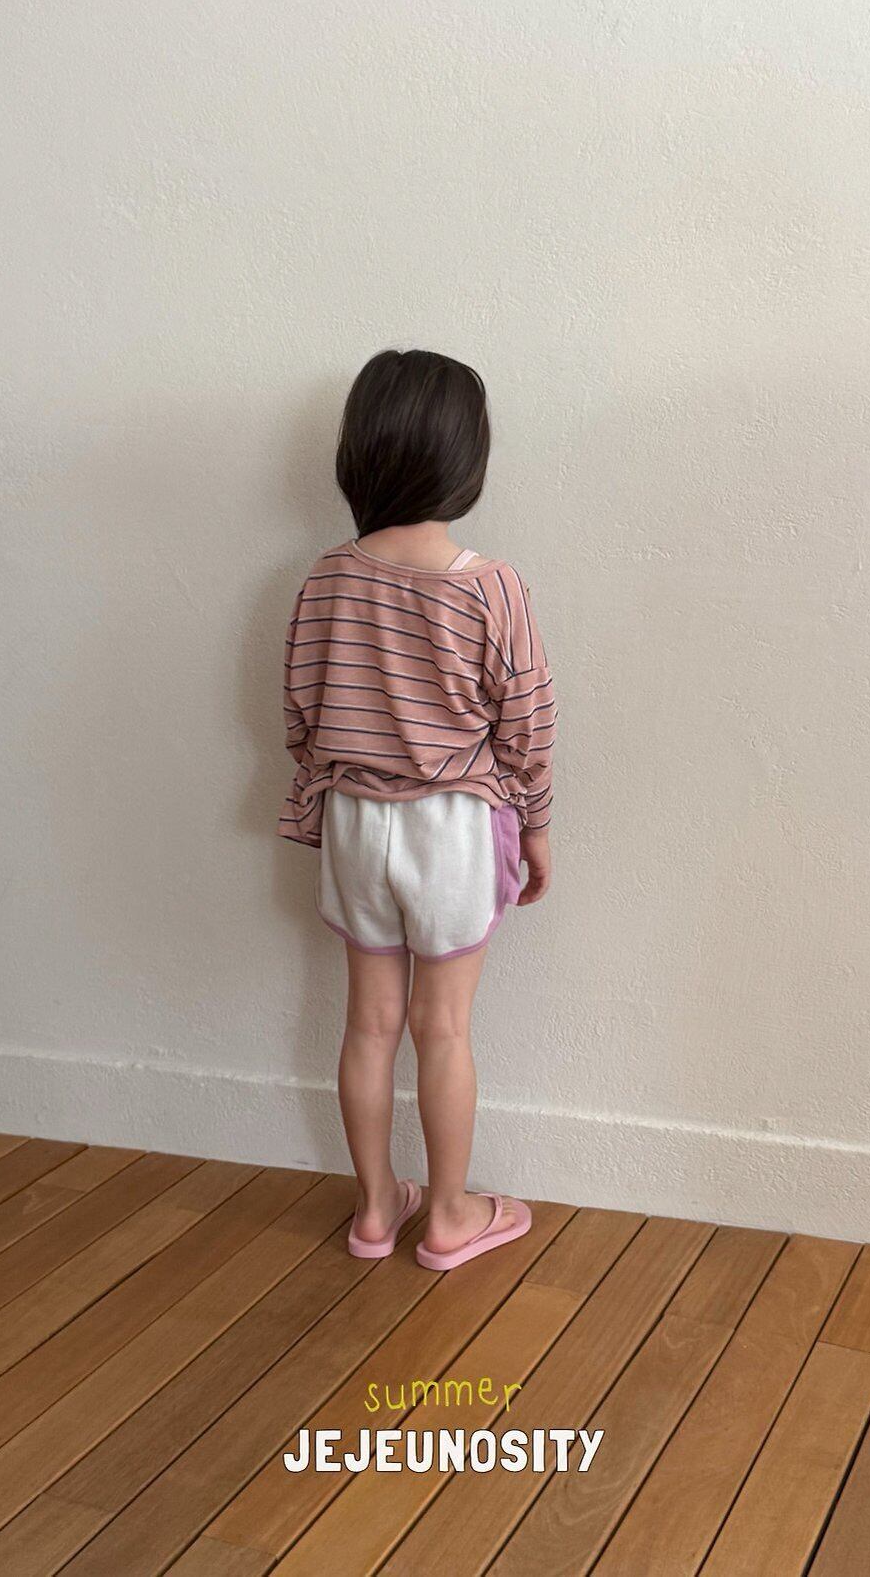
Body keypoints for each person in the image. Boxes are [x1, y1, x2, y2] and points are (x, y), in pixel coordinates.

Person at [279, 349, 557, 1271]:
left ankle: (372, 1212)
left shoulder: (326, 577)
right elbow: (528, 727)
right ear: (465, 459)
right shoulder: (488, 585)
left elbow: (301, 713)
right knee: (443, 1027)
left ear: (358, 453)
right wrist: (539, 826)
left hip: (355, 824)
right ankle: (447, 1216)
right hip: (453, 830)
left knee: (367, 1024)